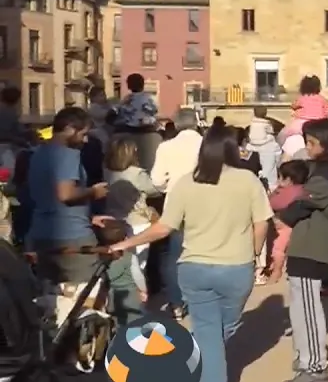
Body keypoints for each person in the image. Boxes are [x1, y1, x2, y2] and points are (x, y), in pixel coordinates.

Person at [107, 126, 272, 382]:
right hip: (236, 268)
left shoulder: (186, 182)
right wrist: (254, 254)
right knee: (221, 330)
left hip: (194, 268)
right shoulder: (248, 181)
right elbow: (261, 223)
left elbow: (164, 227)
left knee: (210, 334)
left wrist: (124, 243)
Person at [276, 118, 328, 382]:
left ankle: (315, 366)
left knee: (307, 309)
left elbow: (306, 200)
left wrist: (284, 214)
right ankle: (304, 357)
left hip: (315, 249)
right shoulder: (318, 169)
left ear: (327, 145)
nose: (306, 148)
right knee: (299, 306)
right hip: (305, 246)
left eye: (311, 143)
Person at [25, 107, 110, 324]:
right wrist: (94, 192)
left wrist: (89, 216)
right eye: (83, 134)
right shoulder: (68, 154)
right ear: (70, 129)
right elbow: (65, 194)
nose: (85, 140)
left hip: (41, 234)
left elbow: (46, 197)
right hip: (73, 237)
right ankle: (85, 349)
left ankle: (55, 350)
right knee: (89, 297)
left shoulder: (37, 154)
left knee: (52, 301)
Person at [150, 107, 203, 318]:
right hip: (205, 203)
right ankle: (200, 299)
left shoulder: (166, 147)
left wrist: (168, 188)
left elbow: (157, 181)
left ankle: (176, 303)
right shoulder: (207, 145)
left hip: (175, 205)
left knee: (174, 255)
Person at [102, 137, 161, 304]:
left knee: (122, 261)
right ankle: (140, 298)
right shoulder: (137, 173)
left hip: (114, 220)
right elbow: (154, 190)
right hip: (138, 220)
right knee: (138, 264)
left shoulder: (107, 171)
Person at [265, 160, 309, 283]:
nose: (278, 181)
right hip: (287, 225)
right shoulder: (303, 190)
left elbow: (275, 203)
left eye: (280, 177)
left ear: (288, 180)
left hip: (284, 226)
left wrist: (270, 197)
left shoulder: (290, 192)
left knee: (277, 249)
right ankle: (275, 266)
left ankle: (277, 270)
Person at [115, 73, 162, 171]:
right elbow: (154, 110)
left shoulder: (126, 99)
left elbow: (119, 112)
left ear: (129, 85)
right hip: (146, 131)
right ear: (142, 84)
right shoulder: (148, 98)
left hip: (127, 131)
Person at [278, 75, 328, 143]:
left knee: (282, 137)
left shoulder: (302, 98)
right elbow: (327, 111)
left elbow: (294, 106)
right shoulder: (322, 99)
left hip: (300, 123)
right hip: (318, 123)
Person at [246, 105, 282, 189]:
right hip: (270, 183)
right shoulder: (272, 144)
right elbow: (278, 160)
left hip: (252, 185)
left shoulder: (248, 146)